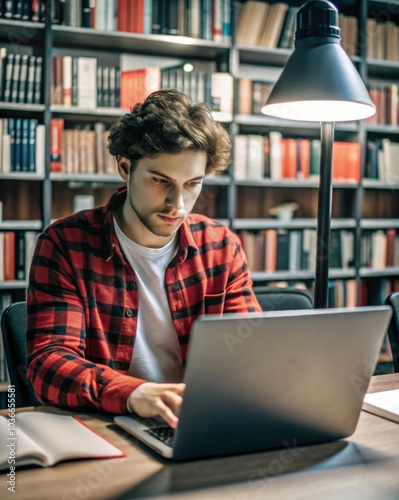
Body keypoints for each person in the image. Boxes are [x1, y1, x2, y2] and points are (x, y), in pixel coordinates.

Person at [27, 89, 262, 428]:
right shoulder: (65, 244)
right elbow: (48, 364)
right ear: (125, 167)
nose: (177, 203)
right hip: (112, 424)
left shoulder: (221, 247)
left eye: (192, 184)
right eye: (160, 180)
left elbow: (251, 350)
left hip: (202, 421)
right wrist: (134, 393)